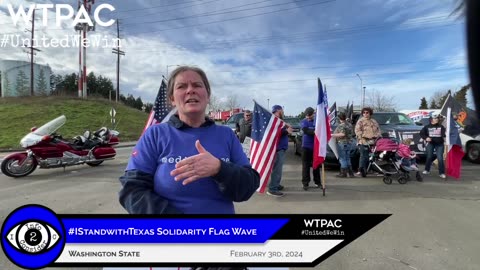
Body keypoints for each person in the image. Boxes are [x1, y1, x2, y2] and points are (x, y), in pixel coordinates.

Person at [118, 66, 260, 214]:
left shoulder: (227, 135)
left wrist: (220, 168)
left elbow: (247, 187)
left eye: (197, 85)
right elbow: (132, 190)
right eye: (182, 86)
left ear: (208, 96)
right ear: (172, 99)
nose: (190, 90)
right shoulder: (155, 134)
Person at [266, 105, 293, 197]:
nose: (283, 111)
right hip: (278, 148)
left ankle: (275, 184)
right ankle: (272, 189)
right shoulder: (275, 120)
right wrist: (286, 131)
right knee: (277, 170)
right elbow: (275, 133)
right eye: (281, 110)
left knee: (277, 169)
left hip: (280, 148)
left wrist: (286, 127)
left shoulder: (279, 120)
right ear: (278, 110)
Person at [354, 107, 382, 177]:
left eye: (367, 113)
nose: (365, 114)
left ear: (370, 113)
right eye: (364, 113)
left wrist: (377, 136)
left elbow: (378, 130)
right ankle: (361, 170)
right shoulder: (360, 121)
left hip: (373, 142)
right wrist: (362, 137)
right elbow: (357, 130)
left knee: (372, 157)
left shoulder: (374, 121)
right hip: (363, 141)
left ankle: (370, 169)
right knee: (363, 156)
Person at [300, 107, 321, 190]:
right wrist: (314, 132)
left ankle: (318, 182)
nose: (308, 117)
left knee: (316, 165)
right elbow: (305, 131)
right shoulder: (303, 121)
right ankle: (305, 183)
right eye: (307, 116)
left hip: (316, 147)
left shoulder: (317, 121)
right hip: (306, 147)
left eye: (310, 115)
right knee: (305, 166)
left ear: (313, 114)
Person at [420, 114, 446, 179]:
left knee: (440, 158)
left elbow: (444, 135)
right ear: (431, 119)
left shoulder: (441, 126)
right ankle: (427, 170)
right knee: (429, 156)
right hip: (430, 144)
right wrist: (426, 138)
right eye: (435, 118)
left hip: (439, 144)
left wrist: (446, 136)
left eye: (437, 118)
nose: (437, 119)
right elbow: (421, 133)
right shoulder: (427, 127)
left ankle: (441, 173)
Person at [331, 112, 355, 178]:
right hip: (349, 143)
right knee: (347, 158)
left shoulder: (341, 125)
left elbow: (342, 134)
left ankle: (343, 173)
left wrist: (332, 135)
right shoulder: (349, 124)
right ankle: (351, 173)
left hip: (342, 142)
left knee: (342, 158)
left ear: (339, 119)